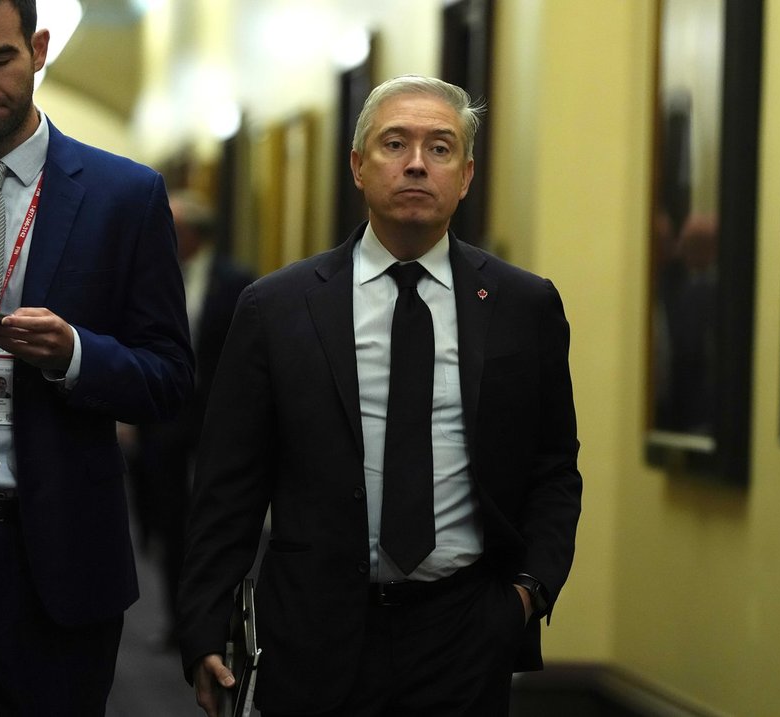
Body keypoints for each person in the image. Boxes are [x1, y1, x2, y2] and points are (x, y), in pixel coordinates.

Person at [178, 74, 582, 716]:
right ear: (358, 166)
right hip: (314, 632)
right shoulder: (278, 309)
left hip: (464, 630)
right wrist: (203, 623)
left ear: (467, 174)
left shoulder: (522, 305)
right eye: (395, 144)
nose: (418, 163)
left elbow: (555, 466)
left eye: (441, 148)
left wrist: (527, 594)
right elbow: (229, 482)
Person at [0, 1, 194, 715]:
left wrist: (75, 354)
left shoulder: (125, 195)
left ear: (38, 48)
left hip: (63, 548)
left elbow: (168, 380)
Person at [124, 189, 253, 649]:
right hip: (164, 419)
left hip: (221, 419)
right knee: (168, 521)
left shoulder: (236, 281)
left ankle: (229, 622)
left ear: (195, 234)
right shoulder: (153, 275)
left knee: (224, 519)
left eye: (174, 230)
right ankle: (181, 622)